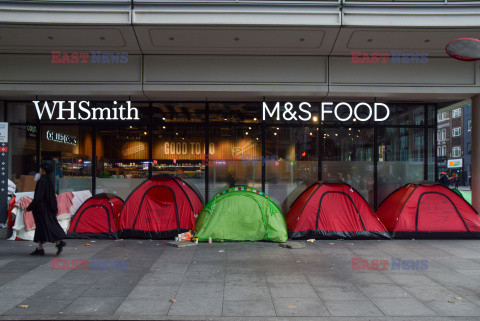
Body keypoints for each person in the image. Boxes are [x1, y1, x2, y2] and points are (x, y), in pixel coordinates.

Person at [26, 161, 66, 256]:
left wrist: (29, 207)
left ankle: (58, 243)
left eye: (40, 169)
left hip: (42, 209)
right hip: (48, 207)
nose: (39, 170)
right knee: (41, 228)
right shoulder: (48, 180)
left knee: (46, 227)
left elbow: (38, 197)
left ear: (43, 171)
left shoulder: (42, 181)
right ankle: (40, 249)